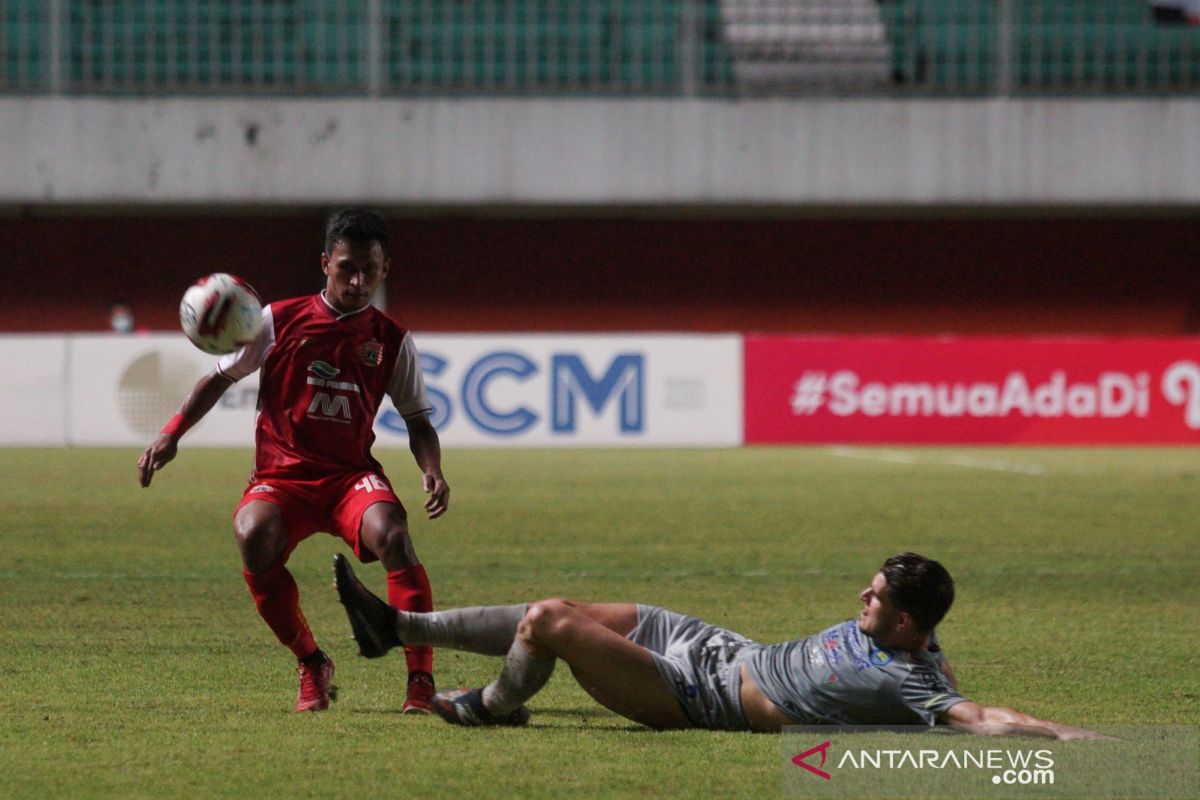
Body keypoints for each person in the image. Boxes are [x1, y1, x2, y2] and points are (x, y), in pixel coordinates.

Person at [138, 208, 449, 714]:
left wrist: (431, 469)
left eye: (369, 270)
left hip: (350, 478)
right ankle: (311, 662)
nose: (357, 279)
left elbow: (417, 420)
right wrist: (171, 434)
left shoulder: (392, 340)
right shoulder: (277, 321)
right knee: (251, 533)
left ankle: (420, 679)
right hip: (283, 478)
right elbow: (217, 379)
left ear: (384, 269)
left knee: (393, 532)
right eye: (346, 266)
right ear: (325, 262)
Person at [332, 551, 1103, 738]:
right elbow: (943, 676)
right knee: (565, 603)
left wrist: (1069, 735)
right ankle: (396, 629)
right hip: (714, 643)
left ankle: (495, 706)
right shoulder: (913, 645)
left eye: (874, 598)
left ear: (905, 624)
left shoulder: (911, 680)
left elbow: (976, 717)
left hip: (700, 696)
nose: (860, 598)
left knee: (548, 622)